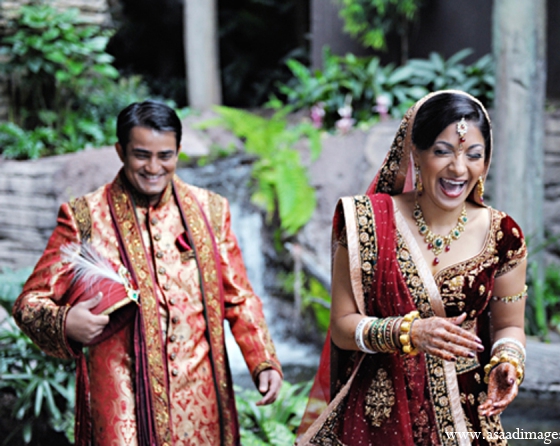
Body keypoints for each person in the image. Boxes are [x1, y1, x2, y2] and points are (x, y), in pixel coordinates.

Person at [12, 100, 283, 446]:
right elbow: (28, 303)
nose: (154, 167)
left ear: (179, 152)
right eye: (141, 155)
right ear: (120, 151)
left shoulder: (211, 211)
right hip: (121, 401)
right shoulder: (85, 217)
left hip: (200, 398)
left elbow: (240, 296)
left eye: (165, 156)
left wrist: (263, 360)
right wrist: (65, 323)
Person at [296, 90, 527, 445]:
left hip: (465, 415)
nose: (458, 168)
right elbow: (343, 327)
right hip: (378, 414)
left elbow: (509, 325)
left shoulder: (503, 234)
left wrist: (507, 362)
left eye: (473, 154)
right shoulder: (367, 222)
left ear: (486, 160)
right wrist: (409, 334)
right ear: (415, 153)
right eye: (442, 151)